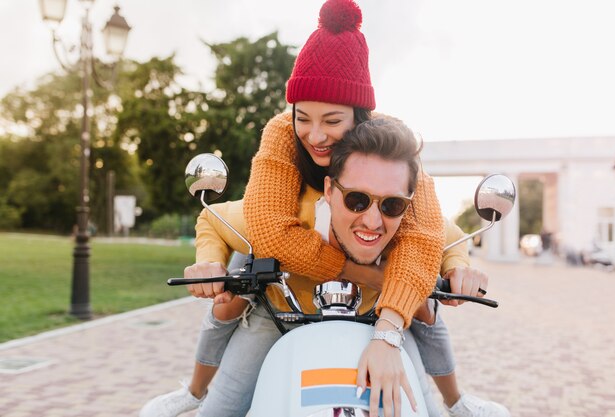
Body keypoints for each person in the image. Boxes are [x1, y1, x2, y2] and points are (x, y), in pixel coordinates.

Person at [140, 1, 509, 416]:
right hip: (285, 306)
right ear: (330, 189)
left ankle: (455, 400)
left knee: (425, 344)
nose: (315, 136)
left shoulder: (393, 154)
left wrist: (396, 323)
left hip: (372, 312)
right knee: (221, 398)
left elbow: (430, 234)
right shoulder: (283, 142)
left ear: (362, 116)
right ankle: (194, 391)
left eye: (333, 121)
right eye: (303, 117)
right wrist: (366, 271)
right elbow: (262, 227)